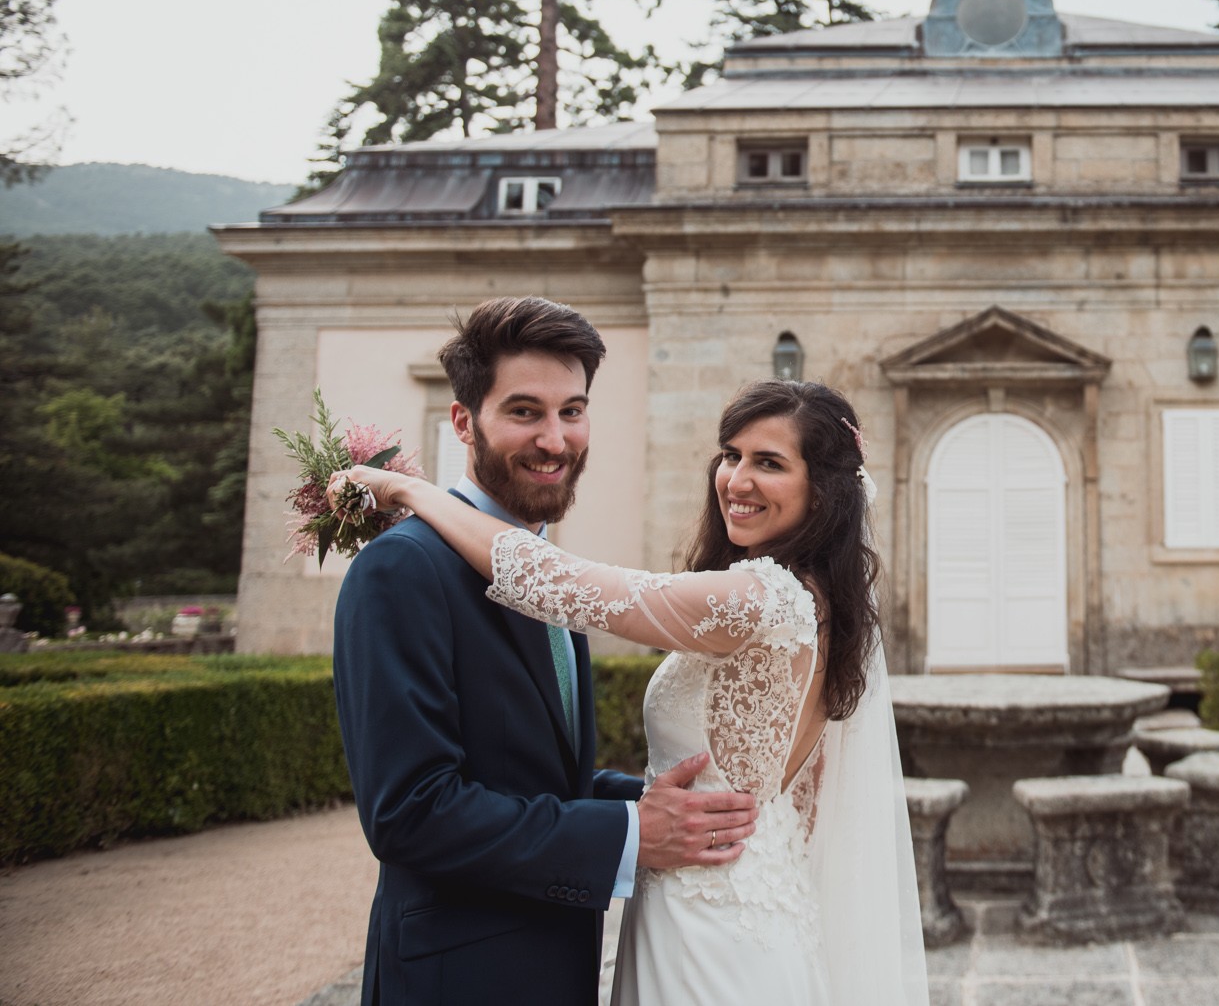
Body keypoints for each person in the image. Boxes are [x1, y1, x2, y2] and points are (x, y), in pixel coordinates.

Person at [336, 377, 928, 1006]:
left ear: (824, 491)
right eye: (731, 455)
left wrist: (412, 491)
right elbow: (796, 802)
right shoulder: (818, 605)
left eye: (770, 463)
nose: (738, 480)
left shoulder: (762, 598)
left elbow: (561, 584)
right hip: (746, 900)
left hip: (714, 930)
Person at [331, 297, 761, 1006]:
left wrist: (651, 801)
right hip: (457, 983)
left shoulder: (546, 571)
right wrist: (630, 832)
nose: (555, 440)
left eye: (572, 411)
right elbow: (411, 811)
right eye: (524, 411)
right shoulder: (404, 568)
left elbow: (531, 771)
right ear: (464, 421)